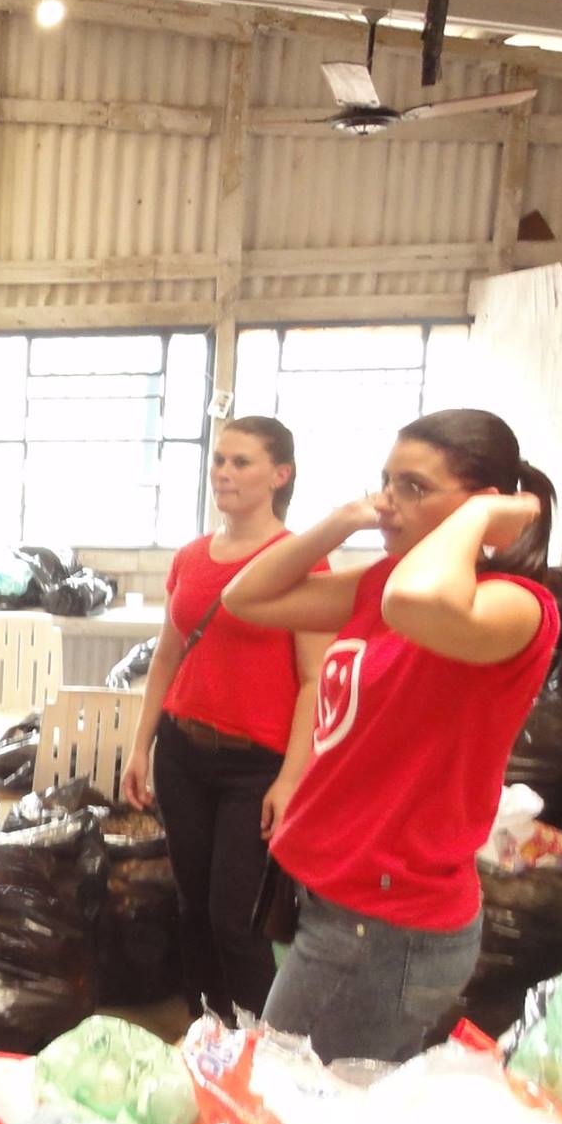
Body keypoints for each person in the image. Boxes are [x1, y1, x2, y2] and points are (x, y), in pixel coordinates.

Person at [221, 409, 559, 1065]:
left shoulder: (515, 606)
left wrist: (477, 518)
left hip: (386, 925)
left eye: (413, 487)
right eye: (386, 481)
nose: (387, 502)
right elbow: (246, 597)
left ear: (483, 505)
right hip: (338, 902)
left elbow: (417, 604)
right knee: (307, 1098)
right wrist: (343, 520)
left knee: (292, 1099)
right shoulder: (384, 583)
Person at [120, 418, 327, 1019]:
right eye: (219, 460)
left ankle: (261, 1043)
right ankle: (205, 1030)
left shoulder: (301, 562)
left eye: (241, 462)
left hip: (255, 767)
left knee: (234, 920)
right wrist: (139, 746)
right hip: (182, 754)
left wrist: (290, 780)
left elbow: (314, 680)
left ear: (280, 475)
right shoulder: (190, 557)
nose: (224, 474)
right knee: (190, 908)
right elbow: (166, 657)